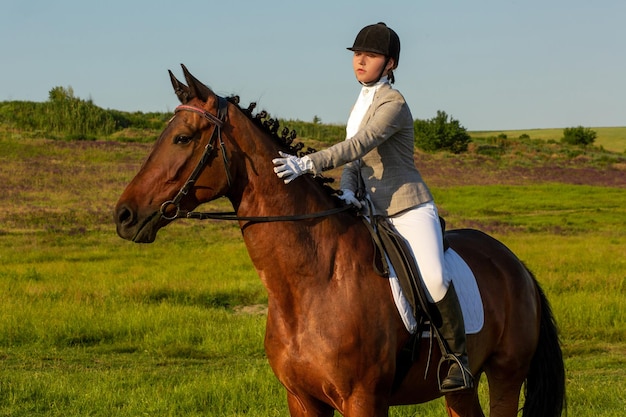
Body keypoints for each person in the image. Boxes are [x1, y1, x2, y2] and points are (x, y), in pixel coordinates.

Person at [272, 22, 473, 393]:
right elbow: (354, 163)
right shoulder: (360, 102)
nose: (361, 60)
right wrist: (348, 192)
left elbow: (360, 144)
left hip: (407, 207)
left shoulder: (393, 104)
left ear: (390, 63)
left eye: (371, 55)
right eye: (357, 54)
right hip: (369, 210)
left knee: (433, 277)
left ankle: (457, 359)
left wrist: (308, 164)